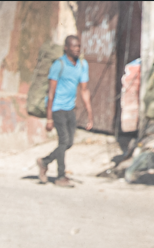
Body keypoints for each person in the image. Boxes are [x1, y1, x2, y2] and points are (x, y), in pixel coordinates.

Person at [36, 36, 92, 188]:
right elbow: (51, 93)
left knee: (69, 142)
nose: (77, 49)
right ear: (66, 48)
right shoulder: (58, 65)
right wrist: (49, 118)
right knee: (63, 141)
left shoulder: (82, 65)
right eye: (73, 46)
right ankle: (60, 176)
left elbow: (84, 90)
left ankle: (45, 161)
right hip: (57, 108)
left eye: (78, 46)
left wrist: (89, 113)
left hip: (70, 108)